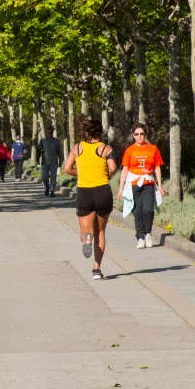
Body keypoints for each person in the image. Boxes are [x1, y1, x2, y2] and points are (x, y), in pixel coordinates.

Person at [61, 118, 117, 279]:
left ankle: (86, 239)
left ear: (86, 133)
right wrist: (107, 175)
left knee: (86, 230)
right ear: (100, 133)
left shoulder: (78, 148)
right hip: (102, 191)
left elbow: (67, 168)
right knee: (101, 231)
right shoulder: (106, 148)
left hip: (85, 192)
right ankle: (96, 269)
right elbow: (113, 167)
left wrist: (82, 173)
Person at [119, 122, 166, 248]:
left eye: (142, 134)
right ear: (133, 135)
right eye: (137, 134)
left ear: (145, 134)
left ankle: (148, 234)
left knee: (148, 210)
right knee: (138, 211)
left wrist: (160, 186)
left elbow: (157, 168)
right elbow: (125, 170)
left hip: (148, 183)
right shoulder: (129, 150)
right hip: (134, 184)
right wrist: (120, 188)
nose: (139, 136)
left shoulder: (153, 149)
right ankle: (140, 237)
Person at [39, 130, 64, 198]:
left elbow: (59, 151)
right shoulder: (42, 141)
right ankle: (47, 187)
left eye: (50, 132)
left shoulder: (56, 141)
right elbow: (39, 150)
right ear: (46, 133)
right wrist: (37, 159)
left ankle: (52, 191)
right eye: (48, 132)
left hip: (54, 162)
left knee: (53, 177)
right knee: (44, 177)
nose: (49, 134)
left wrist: (61, 161)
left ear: (52, 133)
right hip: (45, 162)